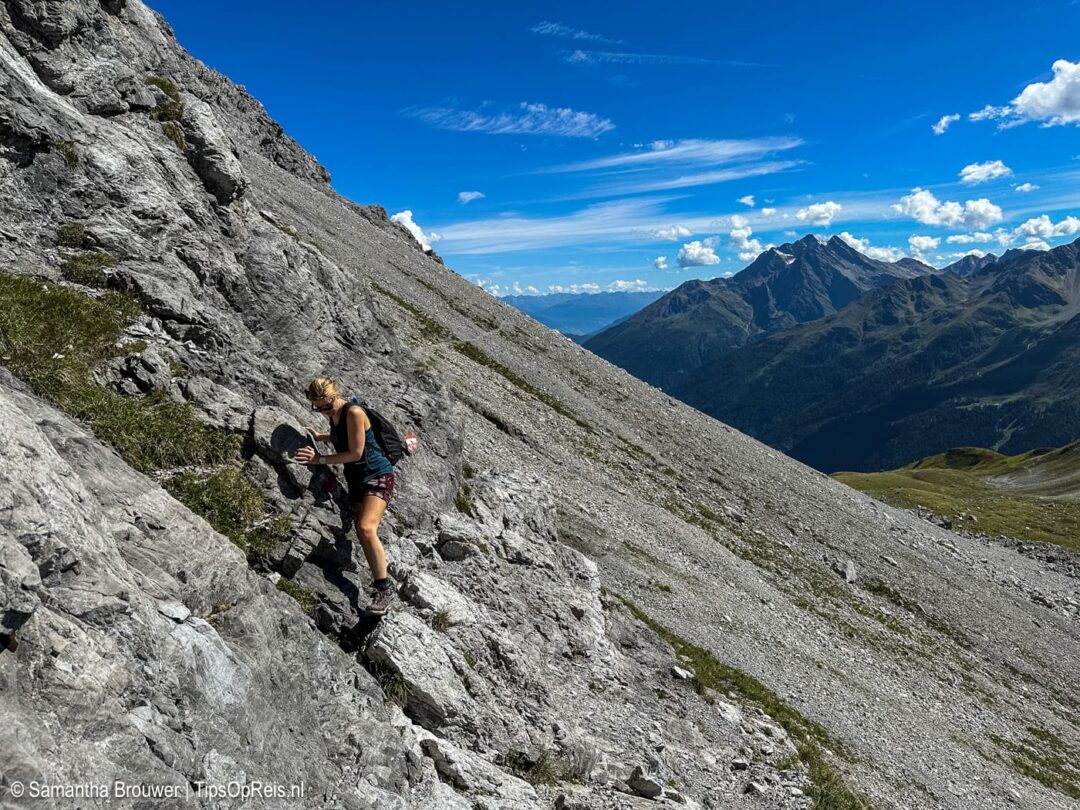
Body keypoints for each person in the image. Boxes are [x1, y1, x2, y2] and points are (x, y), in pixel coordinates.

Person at [295, 376, 397, 615]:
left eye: (327, 406)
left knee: (366, 528)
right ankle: (380, 581)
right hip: (358, 479)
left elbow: (355, 452)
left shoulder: (353, 412)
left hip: (377, 475)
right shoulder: (337, 414)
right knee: (363, 533)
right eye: (317, 407)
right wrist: (322, 436)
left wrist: (319, 459)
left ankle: (385, 589)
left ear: (335, 396)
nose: (323, 411)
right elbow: (345, 435)